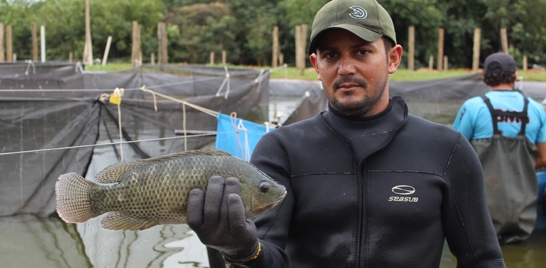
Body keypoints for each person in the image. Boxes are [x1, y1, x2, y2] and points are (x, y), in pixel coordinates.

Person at [187, 0, 506, 267]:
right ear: (316, 64)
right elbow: (268, 256)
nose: (346, 68)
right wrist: (238, 248)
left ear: (393, 58)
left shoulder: (447, 149)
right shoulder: (281, 149)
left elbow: (484, 259)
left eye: (362, 52)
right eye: (331, 55)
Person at [452, 52, 546, 244]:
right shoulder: (536, 109)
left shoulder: (473, 107)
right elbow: (544, 158)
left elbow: (453, 155)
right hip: (523, 214)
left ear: (485, 76)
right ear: (514, 76)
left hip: (482, 215)